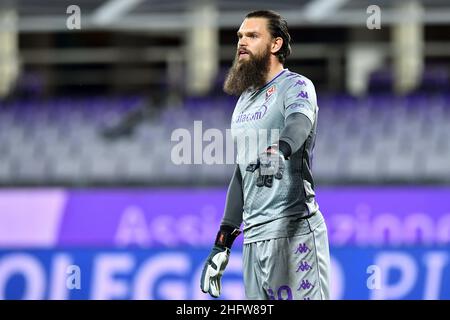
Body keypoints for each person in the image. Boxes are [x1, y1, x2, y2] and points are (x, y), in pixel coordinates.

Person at [200, 10, 331, 300]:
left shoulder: (295, 85)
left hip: (293, 232)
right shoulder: (244, 101)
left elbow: (299, 123)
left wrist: (280, 149)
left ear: (276, 44)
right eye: (239, 37)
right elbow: (242, 172)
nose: (241, 42)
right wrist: (222, 243)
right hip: (253, 240)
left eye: (252, 35)